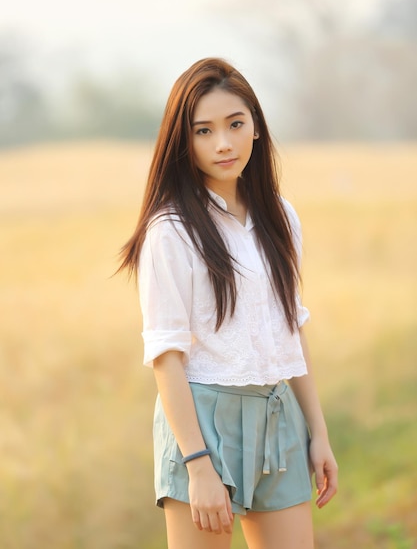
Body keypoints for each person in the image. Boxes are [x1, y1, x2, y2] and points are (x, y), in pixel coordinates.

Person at [118, 57, 338, 549]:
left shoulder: (281, 216)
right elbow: (166, 356)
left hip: (279, 415)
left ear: (255, 126)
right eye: (204, 130)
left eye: (235, 124)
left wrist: (317, 432)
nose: (223, 143)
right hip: (203, 422)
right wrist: (197, 465)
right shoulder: (171, 231)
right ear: (183, 141)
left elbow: (290, 331)